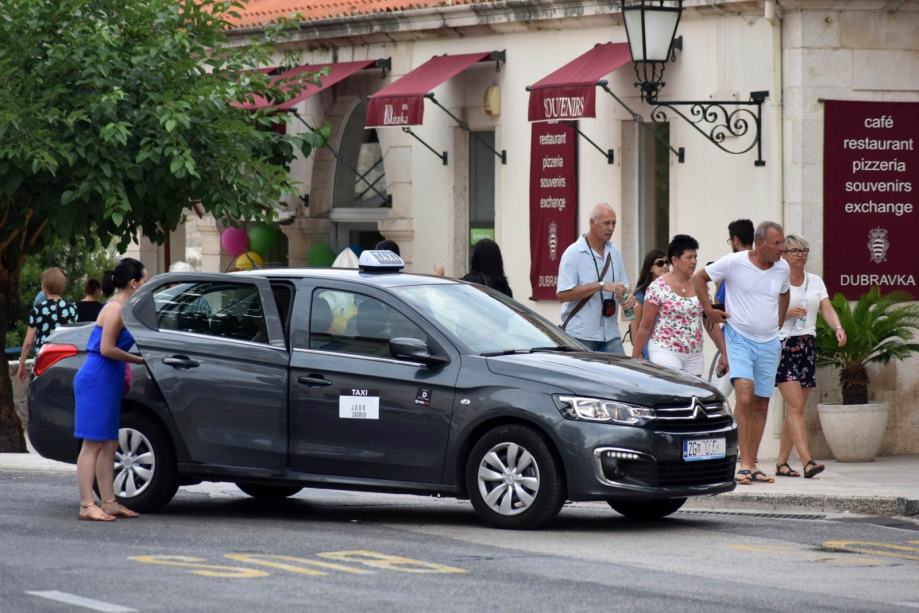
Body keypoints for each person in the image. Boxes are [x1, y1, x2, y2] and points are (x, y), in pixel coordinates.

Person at [692, 221, 790, 486]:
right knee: (744, 394)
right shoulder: (734, 262)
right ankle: (743, 462)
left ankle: (753, 463)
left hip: (769, 342)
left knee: (762, 402)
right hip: (739, 339)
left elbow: (784, 293)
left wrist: (777, 322)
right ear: (760, 244)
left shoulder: (782, 268)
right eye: (777, 243)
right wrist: (710, 309)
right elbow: (699, 278)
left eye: (783, 242)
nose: (783, 249)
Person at [72, 258, 147, 521]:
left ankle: (109, 501)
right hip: (97, 378)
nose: (145, 286)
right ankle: (86, 504)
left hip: (108, 378)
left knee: (109, 442)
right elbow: (106, 348)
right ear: (134, 283)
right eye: (144, 281)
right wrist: (138, 360)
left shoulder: (124, 308)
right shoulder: (115, 310)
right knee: (92, 443)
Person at [774, 234, 846, 479]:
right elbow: (764, 315)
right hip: (783, 345)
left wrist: (838, 327)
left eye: (804, 250)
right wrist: (787, 312)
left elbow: (826, 307)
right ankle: (807, 462)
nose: (801, 254)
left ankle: (781, 462)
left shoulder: (815, 281)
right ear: (783, 254)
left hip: (807, 344)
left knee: (796, 408)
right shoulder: (777, 281)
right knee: (795, 406)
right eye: (795, 250)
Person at [631, 235, 728, 377]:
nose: (694, 262)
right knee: (674, 391)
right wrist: (636, 353)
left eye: (695, 257)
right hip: (664, 349)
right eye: (689, 257)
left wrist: (724, 353)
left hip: (694, 354)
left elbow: (710, 323)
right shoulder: (658, 287)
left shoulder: (700, 286)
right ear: (675, 260)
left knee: (691, 396)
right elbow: (646, 325)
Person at [556, 203, 636, 353]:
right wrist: (600, 285)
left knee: (620, 375)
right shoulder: (573, 253)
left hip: (610, 334)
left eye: (614, 223)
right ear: (592, 222)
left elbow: (623, 285)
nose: (611, 228)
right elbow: (562, 295)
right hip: (581, 335)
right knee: (583, 377)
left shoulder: (614, 252)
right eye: (606, 223)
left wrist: (626, 296)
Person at [16, 268, 79, 381]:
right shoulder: (72, 309)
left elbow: (28, 342)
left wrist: (21, 364)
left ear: (44, 286)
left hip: (43, 363)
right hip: (66, 363)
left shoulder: (37, 310)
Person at [629, 248, 668, 359]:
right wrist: (638, 352)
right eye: (660, 263)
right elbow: (635, 326)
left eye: (667, 263)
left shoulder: (670, 291)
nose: (665, 266)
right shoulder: (640, 295)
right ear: (650, 268)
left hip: (667, 347)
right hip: (648, 350)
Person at [714, 219, 754, 308]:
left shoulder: (731, 264)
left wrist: (718, 285)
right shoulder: (763, 263)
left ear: (735, 240)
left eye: (730, 241)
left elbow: (720, 301)